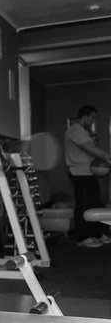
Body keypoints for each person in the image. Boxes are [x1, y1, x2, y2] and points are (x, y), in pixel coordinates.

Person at [64, 105, 111, 248]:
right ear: (84, 117)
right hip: (78, 173)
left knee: (95, 203)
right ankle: (83, 238)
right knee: (83, 205)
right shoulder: (74, 130)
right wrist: (108, 156)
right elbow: (89, 149)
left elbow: (91, 150)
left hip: (88, 172)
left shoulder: (84, 132)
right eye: (92, 118)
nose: (93, 121)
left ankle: (96, 233)